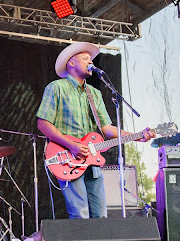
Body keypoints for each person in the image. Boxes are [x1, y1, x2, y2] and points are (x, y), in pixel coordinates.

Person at [36, 42, 155, 219]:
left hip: (92, 161)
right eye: (85, 59)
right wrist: (72, 145)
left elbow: (106, 128)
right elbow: (43, 123)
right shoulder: (57, 88)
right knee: (80, 213)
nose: (90, 61)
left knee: (100, 215)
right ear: (71, 63)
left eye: (90, 59)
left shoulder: (94, 93)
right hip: (69, 158)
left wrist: (137, 136)